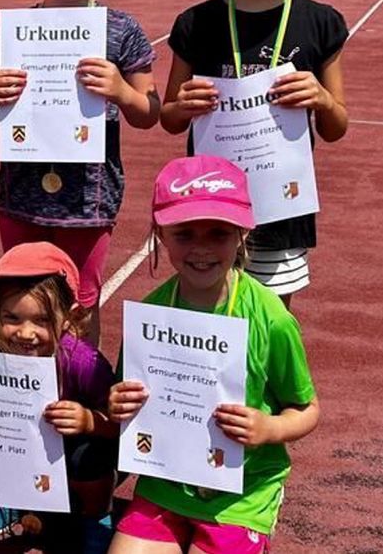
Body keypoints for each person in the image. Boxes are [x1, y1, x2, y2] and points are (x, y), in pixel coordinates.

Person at [0, 0, 159, 345]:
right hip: (21, 197)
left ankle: (79, 393)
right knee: (20, 302)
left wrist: (119, 90)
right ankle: (21, 400)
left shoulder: (121, 30)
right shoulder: (14, 32)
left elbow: (149, 111)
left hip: (89, 203)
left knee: (80, 305)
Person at [108, 155, 319, 553]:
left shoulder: (271, 318)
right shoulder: (150, 316)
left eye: (218, 233)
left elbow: (307, 409)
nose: (201, 249)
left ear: (242, 233)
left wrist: (270, 429)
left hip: (242, 493)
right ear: (161, 234)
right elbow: (126, 402)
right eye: (185, 234)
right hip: (164, 483)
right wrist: (118, 403)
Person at [159, 0, 348, 307]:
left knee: (271, 316)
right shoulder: (196, 24)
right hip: (209, 209)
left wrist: (320, 97)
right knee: (212, 313)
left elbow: (337, 125)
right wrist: (183, 105)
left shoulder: (320, 23)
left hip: (281, 207)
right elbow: (169, 118)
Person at [0, 242, 117, 552]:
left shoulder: (83, 361)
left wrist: (89, 419)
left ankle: (97, 515)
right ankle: (5, 499)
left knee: (90, 451)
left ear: (70, 317)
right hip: (19, 449)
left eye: (41, 320)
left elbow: (120, 426)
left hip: (73, 457)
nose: (26, 333)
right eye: (12, 318)